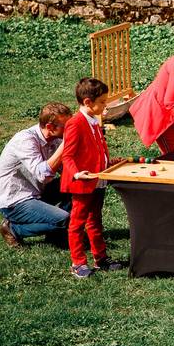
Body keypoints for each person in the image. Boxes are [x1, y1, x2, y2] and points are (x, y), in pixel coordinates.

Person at [61, 78, 124, 279]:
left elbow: (96, 149)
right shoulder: (75, 123)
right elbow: (68, 155)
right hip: (83, 181)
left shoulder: (94, 121)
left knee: (95, 221)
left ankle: (100, 258)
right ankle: (78, 263)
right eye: (103, 101)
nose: (105, 105)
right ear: (88, 102)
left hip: (98, 179)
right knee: (77, 223)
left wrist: (109, 162)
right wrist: (76, 173)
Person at [0, 102, 72, 247]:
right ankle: (14, 229)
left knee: (75, 185)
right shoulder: (25, 140)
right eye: (67, 127)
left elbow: (66, 170)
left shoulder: (56, 139)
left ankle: (56, 233)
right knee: (64, 219)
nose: (70, 130)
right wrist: (65, 145)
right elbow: (43, 175)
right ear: (50, 127)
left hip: (37, 192)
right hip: (15, 201)